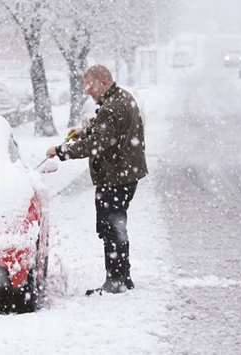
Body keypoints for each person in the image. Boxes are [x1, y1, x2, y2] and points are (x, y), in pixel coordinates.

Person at [46, 65, 148, 296]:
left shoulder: (113, 107)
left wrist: (61, 150)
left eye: (90, 85)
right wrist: (82, 131)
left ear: (104, 81)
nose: (88, 91)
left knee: (111, 228)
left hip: (116, 176)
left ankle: (116, 281)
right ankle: (123, 277)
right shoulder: (120, 98)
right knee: (115, 225)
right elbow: (102, 128)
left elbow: (97, 143)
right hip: (123, 174)